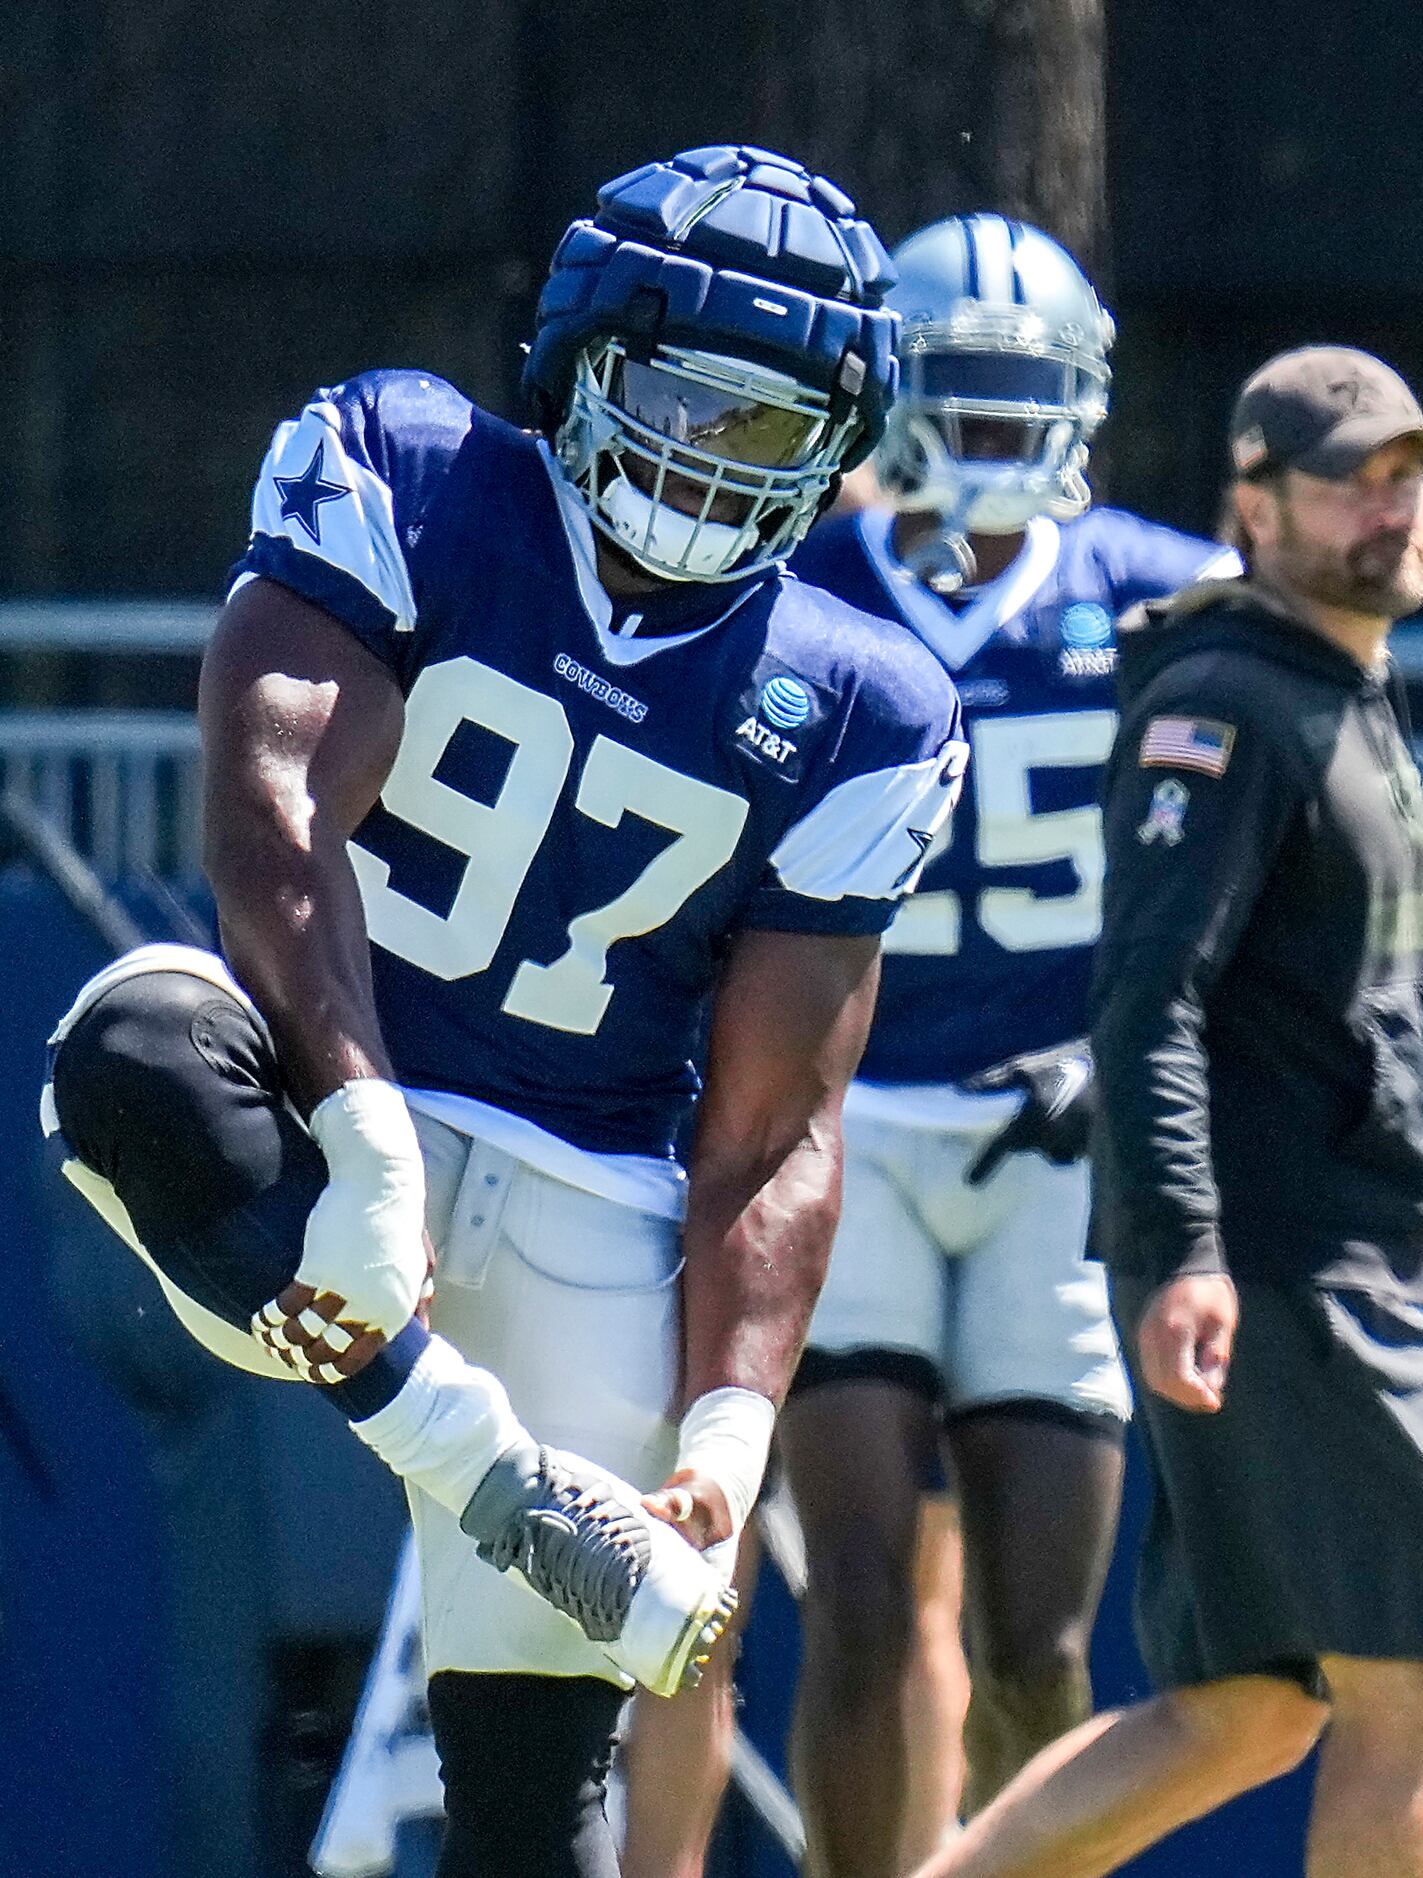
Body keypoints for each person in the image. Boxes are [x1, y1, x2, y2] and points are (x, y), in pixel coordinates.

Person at [39, 145, 966, 1877]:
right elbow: (275, 812)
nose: (706, 459)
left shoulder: (865, 703)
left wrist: (730, 1422)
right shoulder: (417, 469)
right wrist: (369, 1117)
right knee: (132, 1049)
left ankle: (477, 1462)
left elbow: (773, 1127)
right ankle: (464, 1449)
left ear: (840, 451)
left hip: (586, 1193)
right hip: (316, 1112)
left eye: (768, 430)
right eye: (682, 397)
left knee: (535, 1824)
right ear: (581, 356)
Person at [919, 345, 1423, 1878]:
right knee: (1408, 1681)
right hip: (1280, 1267)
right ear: (1249, 508)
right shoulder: (1226, 703)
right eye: (1348, 478)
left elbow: (1377, 1022)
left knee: (1244, 1707)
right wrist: (1184, 1246)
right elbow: (1150, 996)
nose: (1390, 508)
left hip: (1338, 1253)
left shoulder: (1343, 691)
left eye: (1408, 476)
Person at [765, 211, 1235, 1874]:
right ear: (889, 394)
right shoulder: (801, 590)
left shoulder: (1167, 595)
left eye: (1019, 398)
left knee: (1042, 1644)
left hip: (1058, 1138)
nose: (991, 435)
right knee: (866, 1607)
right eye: (956, 397)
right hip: (851, 1132)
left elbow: (1252, 844)